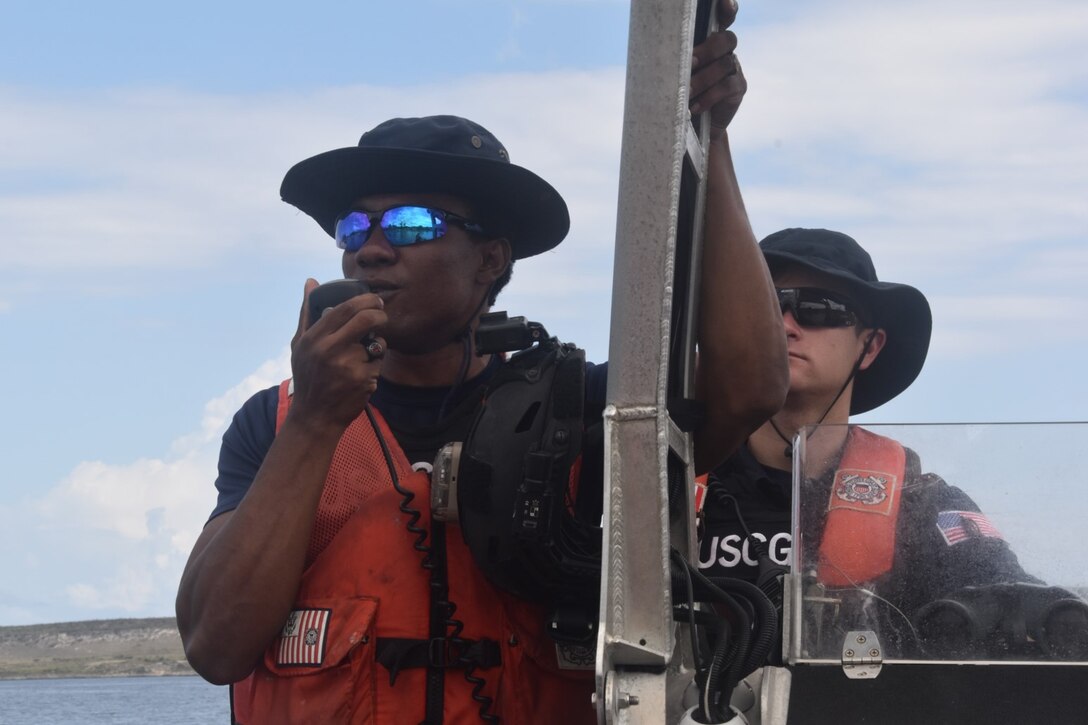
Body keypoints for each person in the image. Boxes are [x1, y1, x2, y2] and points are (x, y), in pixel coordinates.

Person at [175, 7, 789, 724]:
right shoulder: (273, 424)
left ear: (491, 261)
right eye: (355, 227)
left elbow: (748, 386)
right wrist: (314, 420)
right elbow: (215, 644)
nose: (370, 248)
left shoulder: (576, 412)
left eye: (410, 224)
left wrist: (709, 140)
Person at [698, 227, 1046, 659]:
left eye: (818, 309)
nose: (786, 325)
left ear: (870, 347)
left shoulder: (923, 506)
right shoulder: (672, 486)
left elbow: (1020, 603)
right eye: (767, 307)